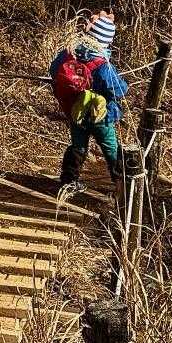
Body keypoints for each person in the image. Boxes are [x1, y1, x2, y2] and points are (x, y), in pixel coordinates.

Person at [49, 10, 129, 200]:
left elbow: (53, 69)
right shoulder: (103, 64)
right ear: (107, 41)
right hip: (101, 115)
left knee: (78, 146)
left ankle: (68, 182)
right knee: (110, 147)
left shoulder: (70, 52)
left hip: (76, 110)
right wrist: (124, 85)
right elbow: (118, 90)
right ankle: (121, 185)